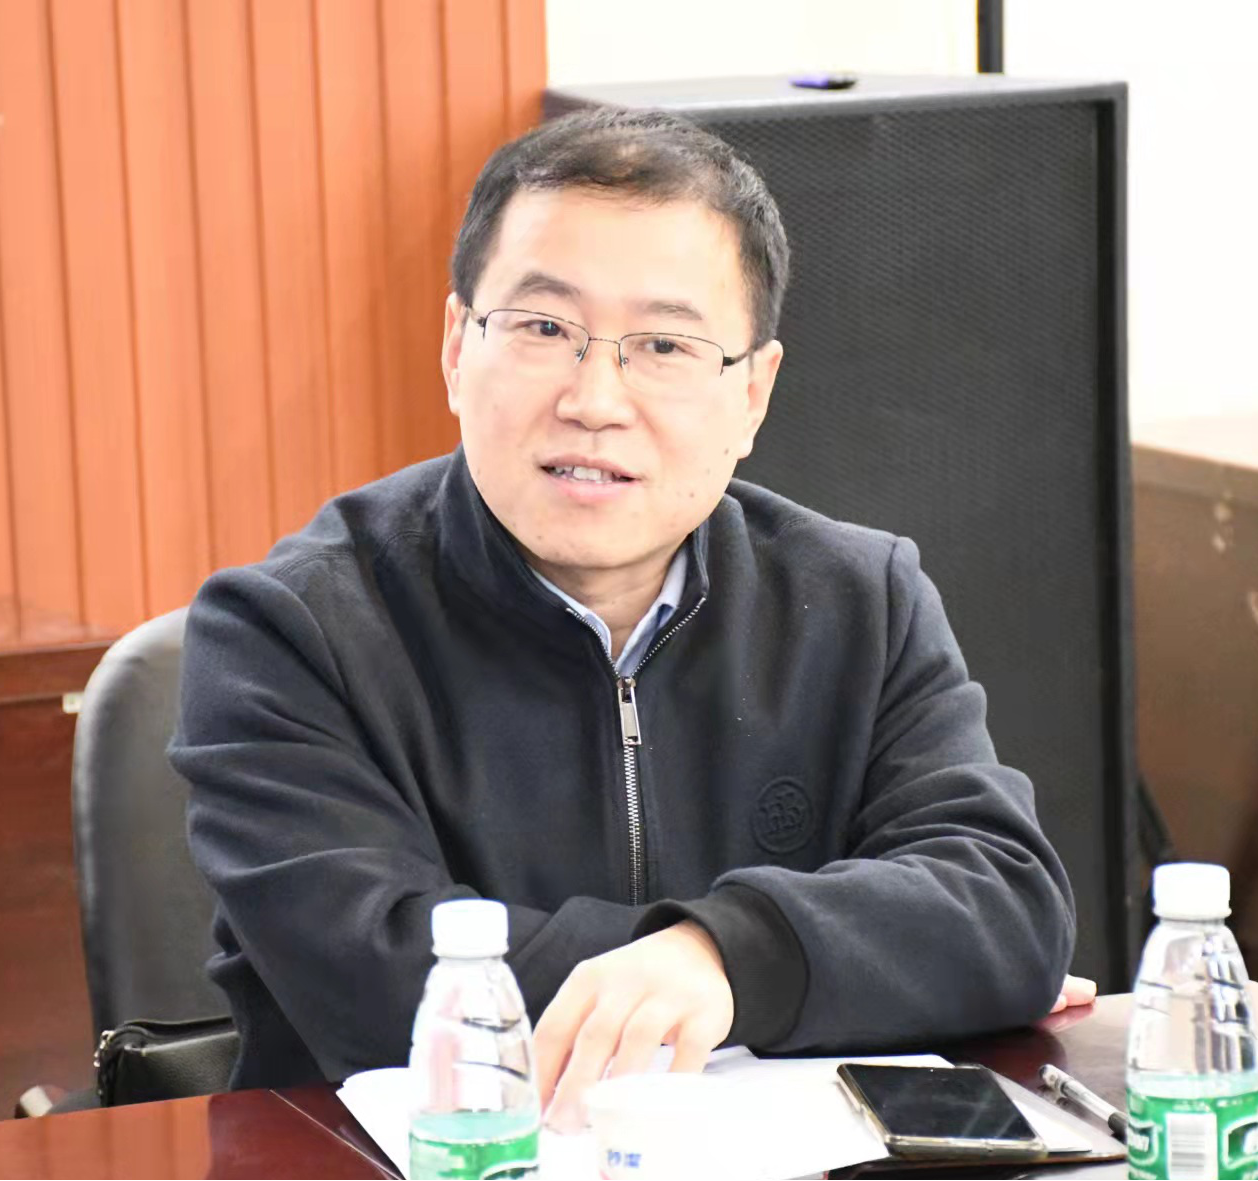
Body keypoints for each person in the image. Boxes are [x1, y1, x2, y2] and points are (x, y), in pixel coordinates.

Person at [170, 108, 1088, 1126]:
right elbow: (395, 985)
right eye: (543, 329)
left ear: (753, 393)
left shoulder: (862, 600)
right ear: (456, 347)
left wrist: (728, 954)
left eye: (663, 344)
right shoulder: (285, 631)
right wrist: (814, 960)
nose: (595, 399)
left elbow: (1004, 908)